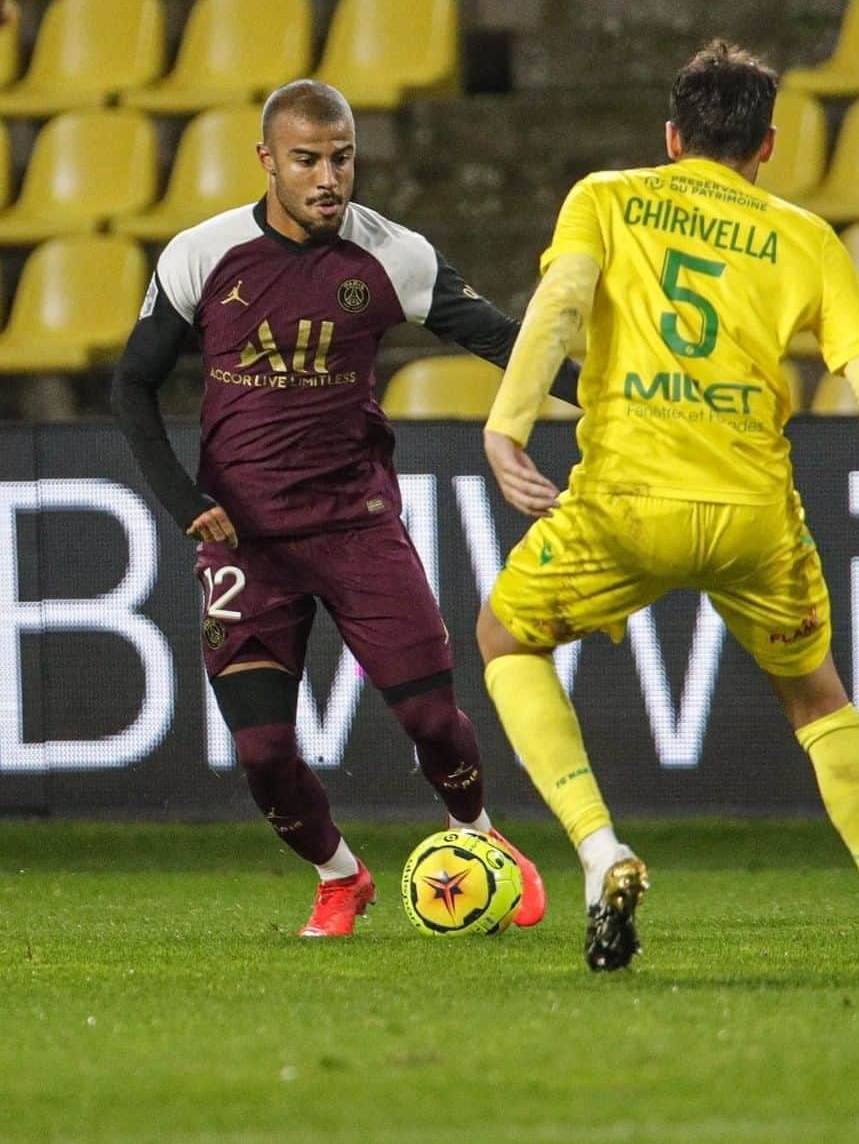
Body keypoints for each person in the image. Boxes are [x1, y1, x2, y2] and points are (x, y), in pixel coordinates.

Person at [476, 39, 859, 973]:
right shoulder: (806, 237)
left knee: (503, 637)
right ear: (767, 144)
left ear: (670, 135)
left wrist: (508, 424)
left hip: (626, 501)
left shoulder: (606, 198)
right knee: (817, 698)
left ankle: (597, 847)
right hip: (751, 514)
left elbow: (561, 302)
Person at [112, 79, 574, 937]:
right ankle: (340, 875)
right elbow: (132, 385)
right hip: (244, 542)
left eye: (342, 158)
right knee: (262, 751)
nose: (329, 178)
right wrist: (185, 501)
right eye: (307, 160)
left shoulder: (392, 256)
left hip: (357, 525)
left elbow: (505, 341)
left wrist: (608, 400)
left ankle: (479, 842)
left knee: (434, 719)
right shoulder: (200, 255)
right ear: (267, 163)